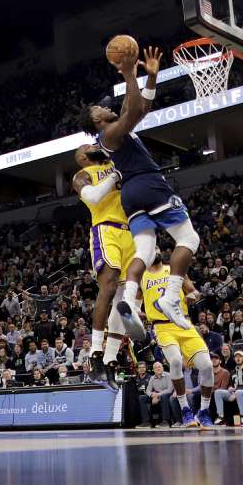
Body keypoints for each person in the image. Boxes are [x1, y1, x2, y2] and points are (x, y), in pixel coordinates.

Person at [80, 43, 202, 337]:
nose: (106, 107)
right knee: (189, 237)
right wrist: (129, 74)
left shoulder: (114, 127)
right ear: (97, 120)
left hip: (131, 195)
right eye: (100, 108)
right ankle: (172, 296)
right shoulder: (108, 132)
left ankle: (132, 306)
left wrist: (150, 77)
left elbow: (140, 108)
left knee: (146, 251)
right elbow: (133, 110)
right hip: (148, 183)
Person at [71, 147, 136, 384]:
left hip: (131, 230)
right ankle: (95, 351)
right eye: (86, 147)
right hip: (105, 229)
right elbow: (93, 197)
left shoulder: (117, 161)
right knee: (108, 287)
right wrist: (116, 176)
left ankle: (110, 357)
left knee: (125, 295)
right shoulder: (83, 174)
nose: (92, 145)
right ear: (82, 158)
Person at [142, 255, 215, 429]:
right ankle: (185, 409)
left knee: (207, 366)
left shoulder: (176, 270)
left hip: (184, 323)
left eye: (158, 247)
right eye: (152, 248)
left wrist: (192, 295)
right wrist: (137, 313)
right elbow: (135, 303)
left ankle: (203, 411)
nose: (156, 250)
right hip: (162, 327)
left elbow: (193, 291)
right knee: (175, 361)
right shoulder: (141, 276)